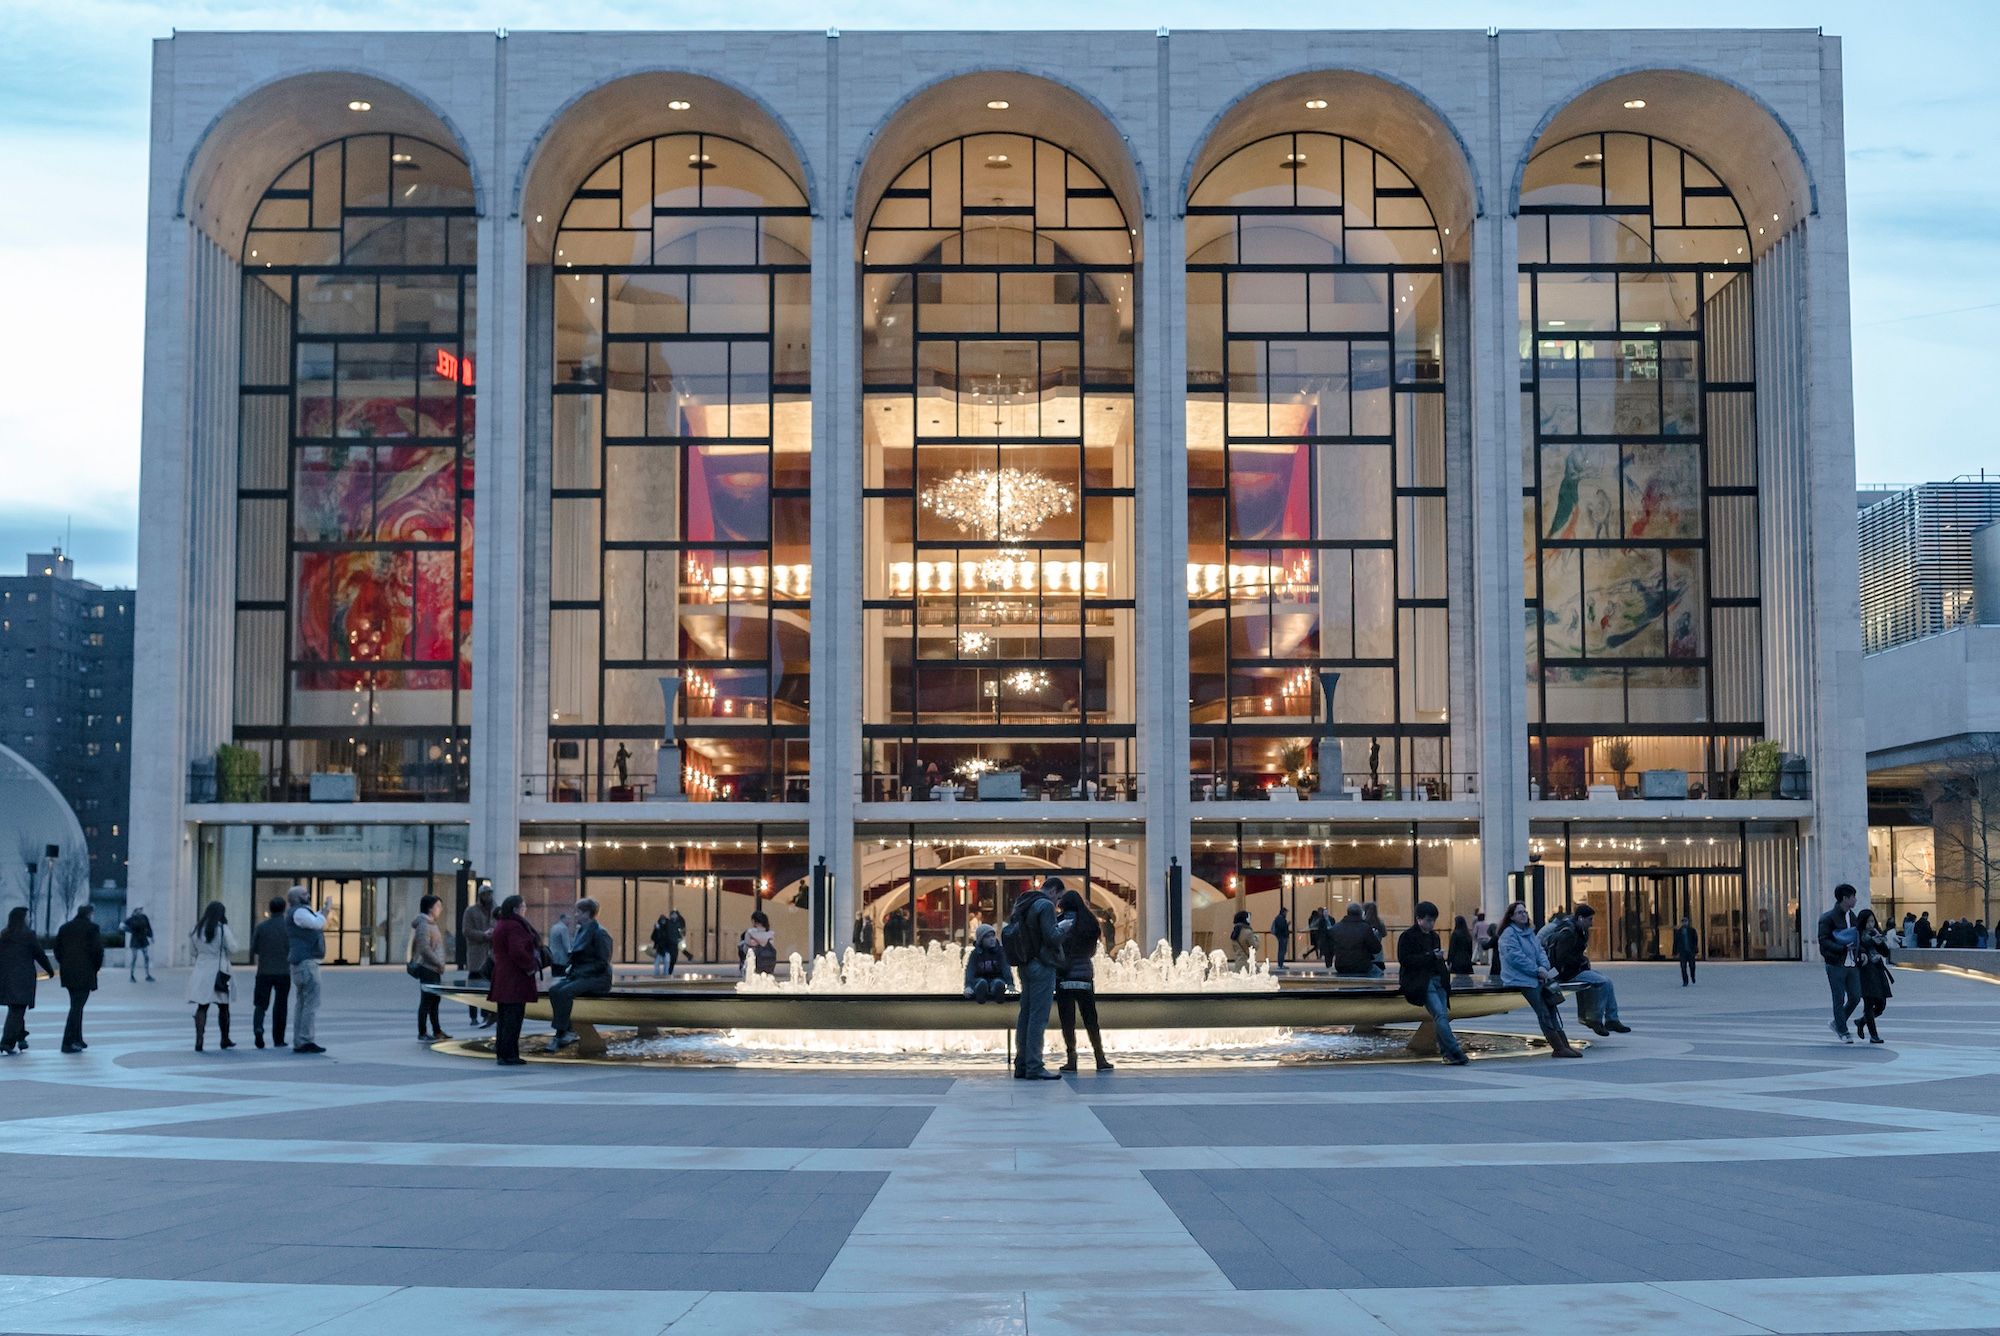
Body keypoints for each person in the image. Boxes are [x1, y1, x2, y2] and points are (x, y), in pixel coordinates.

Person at [1497, 902, 1581, 1058]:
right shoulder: (1509, 934)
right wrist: (1537, 971)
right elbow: (1516, 958)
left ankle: (1564, 1045)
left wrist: (1543, 966)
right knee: (1543, 1011)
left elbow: (1540, 951)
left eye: (1525, 911)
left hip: (1538, 977)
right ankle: (1558, 1047)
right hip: (1521, 979)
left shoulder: (1529, 932)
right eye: (1519, 912)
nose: (1524, 914)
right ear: (1511, 916)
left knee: (1552, 1008)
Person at [1398, 901, 1469, 1065]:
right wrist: (1431, 956)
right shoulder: (1408, 936)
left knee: (1441, 1016)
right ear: (1419, 919)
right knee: (1440, 1015)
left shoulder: (1433, 936)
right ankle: (1455, 1051)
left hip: (1438, 980)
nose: (1431, 924)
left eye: (1433, 920)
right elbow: (1405, 960)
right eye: (1428, 920)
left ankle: (1448, 1054)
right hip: (1422, 981)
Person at [1009, 876, 1064, 1080]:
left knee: (1025, 1014)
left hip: (1025, 964)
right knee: (1038, 1017)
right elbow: (1052, 937)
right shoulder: (1045, 905)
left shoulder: (1024, 902)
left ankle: (1021, 1064)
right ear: (1053, 891)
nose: (1058, 903)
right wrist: (1064, 928)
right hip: (1042, 965)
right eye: (1059, 898)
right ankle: (1034, 1066)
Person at [1544, 904, 1629, 1037]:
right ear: (1580, 918)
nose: (1591, 923)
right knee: (1603, 982)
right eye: (1589, 919)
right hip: (1568, 973)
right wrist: (1581, 962)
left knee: (1607, 982)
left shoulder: (1576, 929)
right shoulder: (1569, 933)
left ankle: (1611, 1019)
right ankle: (1596, 1020)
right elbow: (1563, 957)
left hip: (1573, 970)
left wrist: (1581, 961)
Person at [1054, 889, 1112, 1073]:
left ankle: (1071, 1059)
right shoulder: (1090, 922)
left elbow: (1054, 946)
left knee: (1067, 1021)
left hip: (1064, 977)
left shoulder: (1059, 922)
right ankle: (1100, 1057)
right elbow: (1093, 951)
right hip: (1084, 976)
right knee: (1091, 1019)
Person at [548, 898, 613, 1052]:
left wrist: (581, 972)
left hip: (598, 978)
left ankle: (561, 1033)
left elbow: (602, 963)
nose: (575, 915)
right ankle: (566, 1030)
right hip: (582, 975)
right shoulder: (582, 931)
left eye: (578, 912)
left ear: (588, 913)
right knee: (554, 990)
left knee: (565, 991)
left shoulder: (600, 933)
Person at [486, 895, 541, 1066]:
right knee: (513, 1017)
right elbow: (517, 951)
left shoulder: (502, 924)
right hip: (514, 978)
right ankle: (509, 1055)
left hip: (504, 976)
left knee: (504, 1017)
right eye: (523, 906)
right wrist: (530, 966)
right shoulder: (514, 926)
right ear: (516, 909)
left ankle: (504, 1053)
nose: (525, 910)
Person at [0, 906, 54, 1055]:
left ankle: (21, 1037)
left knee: (15, 1008)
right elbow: (39, 954)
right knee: (18, 1010)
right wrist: (49, 970)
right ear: (22, 919)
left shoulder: (5, 934)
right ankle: (6, 1043)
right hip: (23, 978)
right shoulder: (28, 935)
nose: (29, 919)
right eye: (27, 917)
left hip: (6, 978)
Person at [186, 901, 237, 1052]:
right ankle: (224, 1038)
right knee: (223, 1006)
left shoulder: (196, 929)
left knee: (202, 1006)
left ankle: (199, 1039)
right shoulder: (222, 929)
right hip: (219, 971)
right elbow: (232, 948)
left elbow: (192, 952)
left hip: (202, 970)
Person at [1816, 883, 1862, 1044]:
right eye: (1853, 896)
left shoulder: (1853, 917)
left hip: (1852, 962)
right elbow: (1823, 941)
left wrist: (1861, 953)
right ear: (1845, 898)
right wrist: (1842, 948)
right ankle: (1843, 1030)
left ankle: (1837, 1022)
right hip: (1836, 963)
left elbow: (1860, 936)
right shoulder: (1827, 918)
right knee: (1838, 998)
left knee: (1855, 996)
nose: (1855, 899)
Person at [54, 904, 103, 1053]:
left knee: (76, 1005)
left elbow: (57, 949)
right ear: (89, 914)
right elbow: (97, 951)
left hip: (68, 972)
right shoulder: (92, 928)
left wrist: (65, 963)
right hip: (85, 972)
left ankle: (77, 1038)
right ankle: (68, 1042)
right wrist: (95, 968)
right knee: (77, 1007)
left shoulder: (65, 928)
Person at [286, 884, 329, 1055]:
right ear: (297, 898)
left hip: (301, 962)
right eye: (304, 894)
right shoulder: (299, 912)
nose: (308, 895)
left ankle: (300, 1039)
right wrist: (326, 911)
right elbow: (317, 923)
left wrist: (323, 910)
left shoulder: (299, 912)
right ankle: (306, 1039)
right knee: (310, 1002)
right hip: (306, 963)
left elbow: (316, 918)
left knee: (302, 1002)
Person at [248, 896, 290, 1049]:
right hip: (283, 971)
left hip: (264, 970)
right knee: (281, 1005)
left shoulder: (261, 927)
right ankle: (278, 1038)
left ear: (270, 909)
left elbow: (254, 949)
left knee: (260, 1004)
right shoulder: (288, 927)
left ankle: (258, 1028)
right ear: (284, 909)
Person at [408, 894, 451, 1042]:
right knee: (426, 1001)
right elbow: (424, 949)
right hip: (428, 968)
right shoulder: (424, 925)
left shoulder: (432, 924)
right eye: (438, 906)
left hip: (435, 968)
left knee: (435, 1001)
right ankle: (422, 1032)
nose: (440, 909)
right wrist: (438, 963)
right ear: (430, 908)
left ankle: (437, 1030)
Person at [1854, 908, 1894, 1044]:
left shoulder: (1876, 933)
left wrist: (1879, 942)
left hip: (1878, 970)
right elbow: (1859, 948)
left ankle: (1861, 1021)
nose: (1870, 924)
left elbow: (1886, 953)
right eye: (1867, 922)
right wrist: (1872, 942)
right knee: (1869, 1003)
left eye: (1872, 921)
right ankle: (1874, 1035)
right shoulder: (1858, 935)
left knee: (1881, 1005)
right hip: (1865, 972)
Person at [460, 884, 496, 1028]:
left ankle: (487, 1013)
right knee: (474, 987)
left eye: (490, 893)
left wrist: (493, 933)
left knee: (490, 986)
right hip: (477, 953)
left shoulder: (495, 910)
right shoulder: (471, 911)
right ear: (480, 896)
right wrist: (483, 935)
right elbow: (466, 930)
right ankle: (473, 1015)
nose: (488, 896)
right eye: (485, 894)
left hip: (491, 954)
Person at [1327, 904, 1383, 977]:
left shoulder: (1336, 928)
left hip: (1341, 966)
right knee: (1379, 973)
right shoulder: (1365, 928)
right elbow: (1376, 949)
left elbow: (1329, 948)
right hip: (1362, 966)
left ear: (1348, 912)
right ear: (1360, 913)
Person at [962, 922, 1012, 1002]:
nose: (992, 939)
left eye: (993, 936)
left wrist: (1010, 984)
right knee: (981, 982)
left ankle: (997, 990)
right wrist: (968, 986)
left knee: (998, 982)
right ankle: (980, 991)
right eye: (987, 937)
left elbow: (1005, 968)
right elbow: (970, 970)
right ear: (981, 940)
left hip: (997, 978)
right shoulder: (975, 954)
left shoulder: (1000, 952)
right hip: (979, 979)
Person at [121, 905, 155, 982]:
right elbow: (121, 926)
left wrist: (151, 936)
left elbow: (148, 927)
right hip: (135, 940)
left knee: (146, 957)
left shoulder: (144, 917)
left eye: (141, 909)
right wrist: (130, 930)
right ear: (135, 910)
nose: (141, 910)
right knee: (134, 957)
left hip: (143, 939)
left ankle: (147, 974)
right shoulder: (131, 919)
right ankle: (132, 975)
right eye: (139, 909)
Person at [546, 906, 574, 977]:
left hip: (553, 956)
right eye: (568, 919)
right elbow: (566, 944)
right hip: (561, 958)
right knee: (561, 976)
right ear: (564, 918)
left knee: (554, 975)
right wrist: (570, 955)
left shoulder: (554, 927)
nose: (569, 921)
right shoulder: (564, 928)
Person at [1673, 914, 1700, 987]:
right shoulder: (1679, 932)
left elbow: (1695, 940)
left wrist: (1695, 949)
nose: (1684, 923)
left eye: (1685, 921)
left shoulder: (1692, 930)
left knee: (1692, 966)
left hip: (1690, 951)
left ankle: (1692, 976)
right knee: (1683, 967)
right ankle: (1685, 981)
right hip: (1683, 952)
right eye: (1683, 922)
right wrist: (1675, 952)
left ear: (1688, 922)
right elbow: (1675, 942)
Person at [1361, 902, 1388, 972]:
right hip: (1379, 956)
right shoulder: (1380, 923)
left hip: (1367, 956)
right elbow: (1384, 934)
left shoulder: (1363, 924)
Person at [1270, 906, 1291, 970]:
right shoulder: (1280, 919)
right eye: (1286, 912)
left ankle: (1281, 964)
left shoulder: (1279, 918)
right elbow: (1282, 927)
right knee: (1282, 950)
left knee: (1282, 950)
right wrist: (1287, 925)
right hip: (1282, 936)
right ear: (1283, 912)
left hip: (1281, 936)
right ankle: (1280, 964)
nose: (1286, 914)